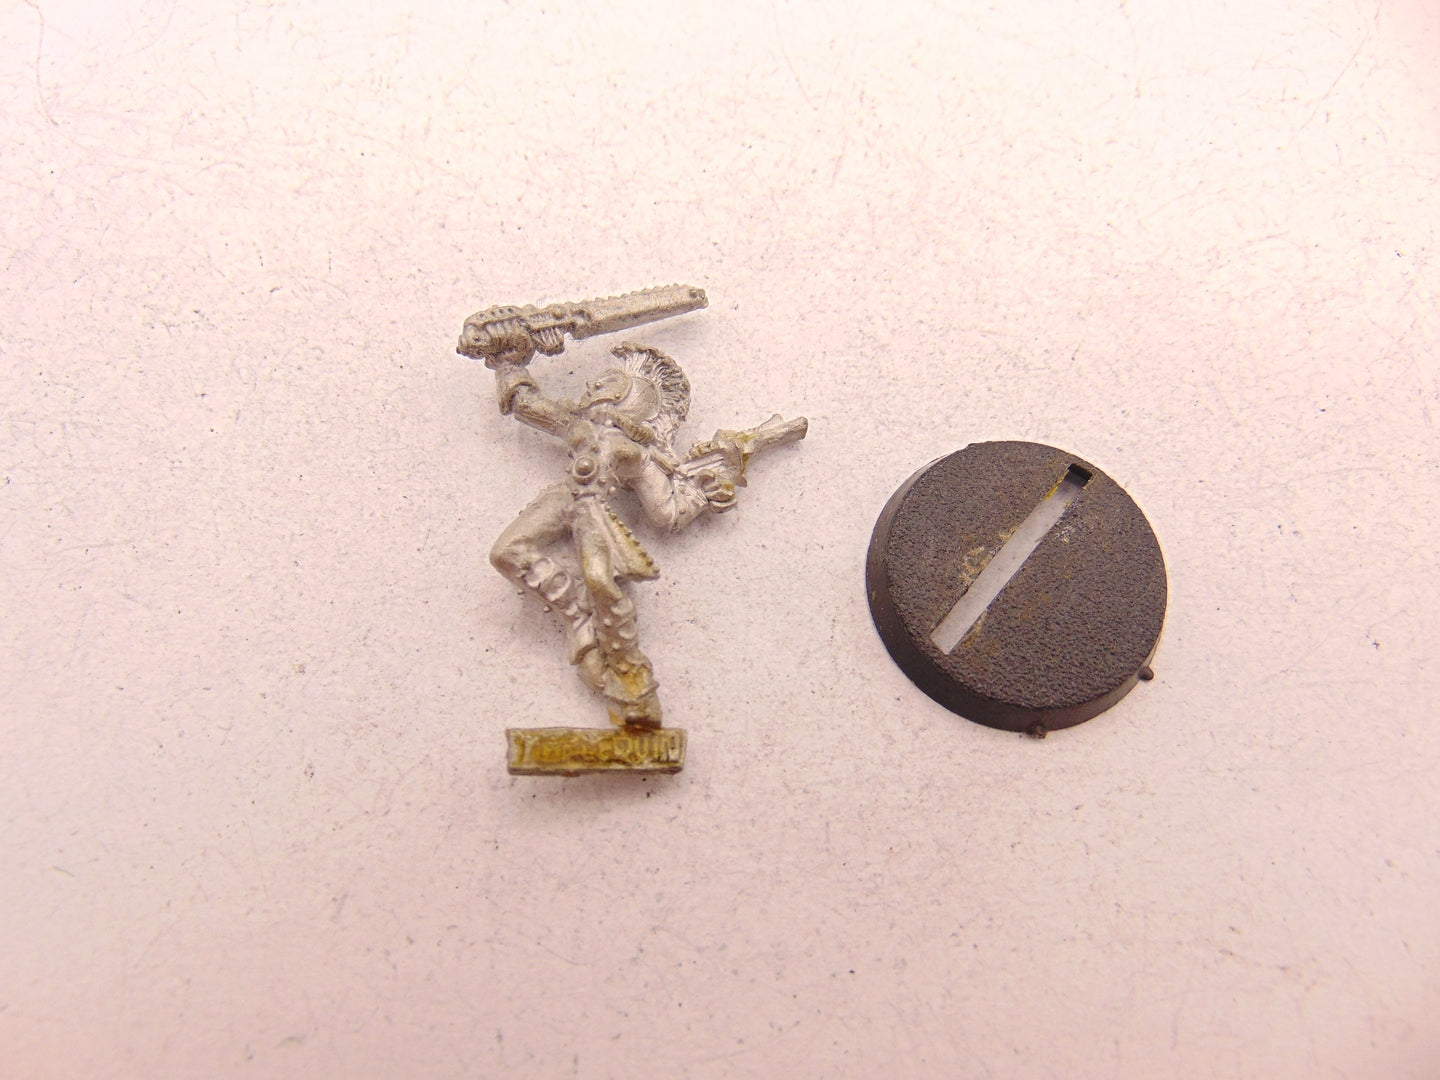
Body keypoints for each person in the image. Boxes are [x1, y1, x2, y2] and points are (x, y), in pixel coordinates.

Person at [487, 339, 734, 729]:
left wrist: (702, 493)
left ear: (634, 400)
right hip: (562, 501)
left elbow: (665, 512)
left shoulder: (636, 453)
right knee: (506, 552)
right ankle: (579, 618)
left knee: (602, 583)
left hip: (593, 513)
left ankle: (632, 685)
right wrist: (508, 360)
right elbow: (525, 404)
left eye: (605, 383)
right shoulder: (579, 427)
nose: (591, 388)